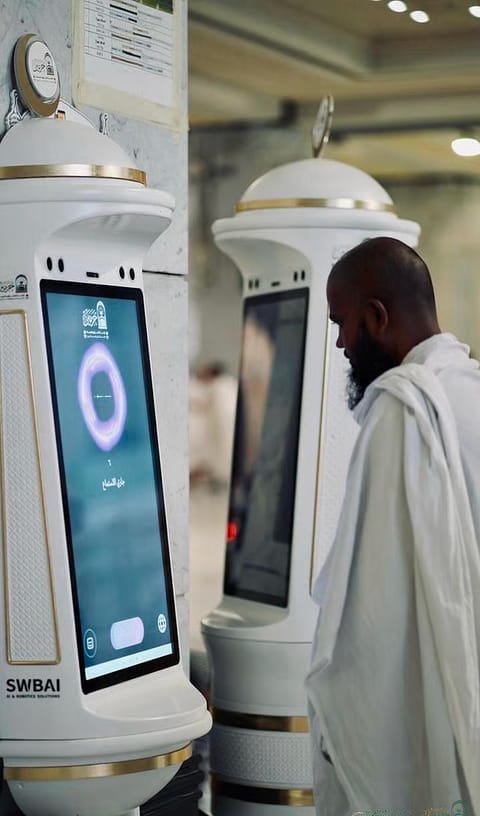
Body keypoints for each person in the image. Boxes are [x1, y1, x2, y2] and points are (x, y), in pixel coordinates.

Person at [306, 237, 480, 815]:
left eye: (342, 323)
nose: (340, 343)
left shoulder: (400, 412)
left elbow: (369, 613)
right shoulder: (472, 390)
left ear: (377, 317)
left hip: (438, 720)